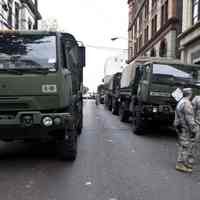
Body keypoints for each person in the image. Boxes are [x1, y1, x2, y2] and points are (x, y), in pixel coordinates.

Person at [174, 88, 198, 173]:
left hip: (180, 126)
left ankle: (183, 162)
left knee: (182, 144)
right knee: (185, 146)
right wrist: (194, 129)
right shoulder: (187, 103)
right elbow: (189, 118)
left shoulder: (181, 101)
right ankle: (180, 164)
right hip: (185, 128)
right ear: (190, 94)